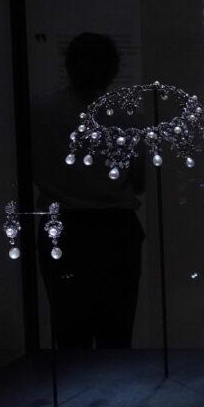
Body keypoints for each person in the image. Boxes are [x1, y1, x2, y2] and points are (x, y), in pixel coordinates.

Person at [32, 33, 144, 349]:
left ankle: (72, 397)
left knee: (70, 333)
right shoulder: (127, 117)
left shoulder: (40, 111)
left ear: (68, 65)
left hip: (64, 229)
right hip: (116, 232)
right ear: (113, 69)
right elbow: (142, 181)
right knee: (116, 333)